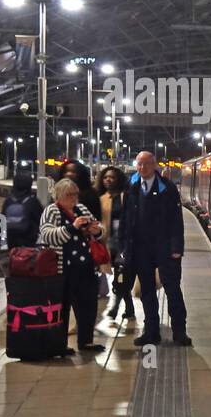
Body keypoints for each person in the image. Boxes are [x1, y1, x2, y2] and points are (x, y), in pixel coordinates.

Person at [121, 151, 190, 346]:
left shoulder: (167, 189)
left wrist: (177, 246)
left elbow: (177, 220)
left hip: (166, 248)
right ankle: (151, 332)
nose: (143, 168)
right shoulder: (132, 189)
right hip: (141, 249)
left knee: (173, 289)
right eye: (140, 165)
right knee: (147, 292)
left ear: (154, 165)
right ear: (136, 167)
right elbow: (126, 220)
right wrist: (125, 247)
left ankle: (179, 332)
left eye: (147, 164)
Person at [38, 178, 105, 354]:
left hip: (86, 267)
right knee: (62, 307)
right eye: (69, 195)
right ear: (59, 195)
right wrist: (71, 228)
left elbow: (99, 228)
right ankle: (59, 345)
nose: (74, 198)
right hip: (63, 269)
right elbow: (47, 235)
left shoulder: (81, 209)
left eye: (75, 194)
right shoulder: (51, 211)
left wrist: (96, 230)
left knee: (88, 306)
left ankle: (86, 341)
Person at [97, 165, 135, 323]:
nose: (108, 180)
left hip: (124, 243)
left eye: (111, 177)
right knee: (120, 278)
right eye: (105, 177)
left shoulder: (125, 196)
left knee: (120, 277)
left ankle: (115, 307)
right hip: (107, 242)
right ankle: (129, 307)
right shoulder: (101, 198)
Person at [0, 173, 43, 249]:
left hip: (11, 243)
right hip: (29, 244)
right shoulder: (33, 201)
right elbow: (41, 221)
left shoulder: (9, 201)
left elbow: (1, 221)